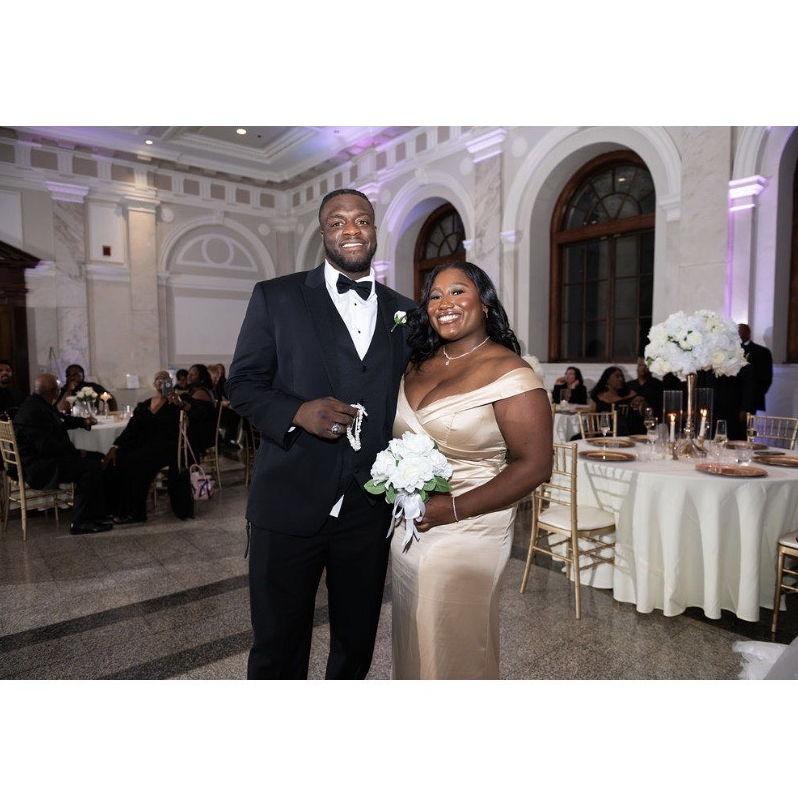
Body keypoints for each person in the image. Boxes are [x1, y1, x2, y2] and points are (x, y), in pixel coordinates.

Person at [228, 188, 415, 680]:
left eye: (361, 220)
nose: (350, 229)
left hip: (368, 507)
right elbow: (242, 384)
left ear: (374, 229)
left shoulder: (405, 311)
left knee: (356, 641)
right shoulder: (276, 297)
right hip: (288, 500)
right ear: (322, 232)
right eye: (337, 222)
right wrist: (296, 412)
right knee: (277, 645)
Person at [393, 262, 551, 679]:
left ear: (485, 304)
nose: (444, 303)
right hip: (411, 527)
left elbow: (535, 465)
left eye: (458, 291)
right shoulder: (417, 363)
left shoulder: (510, 373)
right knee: (414, 637)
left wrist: (452, 509)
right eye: (435, 295)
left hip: (470, 527)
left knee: (454, 646)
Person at [13, 374, 112, 534]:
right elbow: (45, 446)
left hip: (46, 459)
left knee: (100, 458)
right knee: (89, 468)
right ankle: (80, 522)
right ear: (53, 392)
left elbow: (60, 420)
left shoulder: (37, 403)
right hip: (41, 467)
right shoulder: (34, 411)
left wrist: (83, 422)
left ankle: (98, 514)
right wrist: (76, 453)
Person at [103, 370, 181, 524]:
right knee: (119, 458)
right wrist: (116, 446)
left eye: (165, 379)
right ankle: (115, 509)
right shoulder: (144, 405)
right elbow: (131, 429)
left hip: (165, 447)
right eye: (158, 379)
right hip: (144, 446)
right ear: (154, 384)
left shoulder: (175, 403)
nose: (161, 381)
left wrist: (178, 402)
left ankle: (136, 512)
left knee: (137, 462)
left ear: (170, 383)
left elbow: (180, 423)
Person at [169, 364, 216, 458]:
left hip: (202, 433)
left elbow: (196, 413)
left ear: (201, 377)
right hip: (196, 428)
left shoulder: (201, 392)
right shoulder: (195, 390)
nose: (188, 376)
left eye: (193, 374)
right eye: (189, 373)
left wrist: (180, 403)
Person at [589, 366, 646, 435]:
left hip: (627, 433)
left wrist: (641, 404)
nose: (621, 379)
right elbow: (592, 418)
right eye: (617, 376)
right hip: (603, 433)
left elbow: (642, 413)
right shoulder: (598, 397)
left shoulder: (631, 395)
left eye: (622, 376)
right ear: (607, 379)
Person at [738, 323, 773, 415]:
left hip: (751, 399)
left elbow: (766, 378)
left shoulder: (762, 352)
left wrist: (753, 398)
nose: (739, 334)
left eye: (741, 332)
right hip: (729, 399)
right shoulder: (728, 351)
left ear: (748, 333)